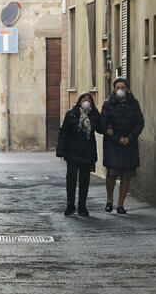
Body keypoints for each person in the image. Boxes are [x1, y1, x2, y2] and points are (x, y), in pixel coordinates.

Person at [101, 77, 145, 214]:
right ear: (113, 89)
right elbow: (103, 124)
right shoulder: (108, 104)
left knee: (126, 174)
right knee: (112, 173)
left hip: (129, 145)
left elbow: (140, 123)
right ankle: (109, 200)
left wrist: (129, 138)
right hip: (112, 145)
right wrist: (116, 138)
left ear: (127, 89)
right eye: (117, 87)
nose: (120, 90)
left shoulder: (134, 103)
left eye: (123, 87)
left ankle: (120, 204)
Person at [58, 92, 103, 216]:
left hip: (87, 152)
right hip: (72, 151)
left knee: (84, 180)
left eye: (88, 99)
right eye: (83, 98)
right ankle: (70, 205)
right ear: (79, 101)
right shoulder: (71, 114)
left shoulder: (94, 115)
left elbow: (100, 128)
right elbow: (64, 132)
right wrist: (61, 150)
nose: (85, 101)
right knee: (71, 179)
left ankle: (82, 206)